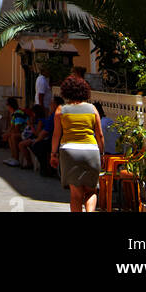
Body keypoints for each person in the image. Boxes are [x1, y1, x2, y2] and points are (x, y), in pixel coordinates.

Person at [50, 75, 104, 213]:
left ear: (66, 92)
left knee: (76, 193)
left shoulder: (61, 110)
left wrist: (53, 154)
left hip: (69, 151)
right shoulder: (93, 109)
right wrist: (102, 154)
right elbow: (100, 135)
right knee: (91, 191)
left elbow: (56, 134)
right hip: (91, 151)